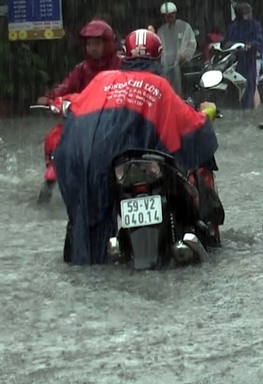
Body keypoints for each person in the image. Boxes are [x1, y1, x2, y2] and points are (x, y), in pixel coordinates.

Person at [53, 29, 224, 265]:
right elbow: (189, 124)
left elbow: (74, 107)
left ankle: (91, 254)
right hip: (123, 162)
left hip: (81, 158)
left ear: (125, 55)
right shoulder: (159, 85)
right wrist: (206, 114)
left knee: (85, 221)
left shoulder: (101, 79)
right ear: (159, 57)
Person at [36, 20, 122, 205]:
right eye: (89, 43)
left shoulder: (121, 65)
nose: (92, 48)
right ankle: (54, 175)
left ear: (107, 43)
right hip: (84, 122)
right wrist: (51, 97)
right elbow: (65, 86)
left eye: (97, 43)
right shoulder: (82, 69)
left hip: (115, 121)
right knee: (55, 137)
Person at [224, 2, 263, 109]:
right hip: (238, 59)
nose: (248, 15)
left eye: (249, 12)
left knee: (252, 84)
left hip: (254, 58)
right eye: (245, 13)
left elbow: (260, 40)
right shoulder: (233, 26)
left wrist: (251, 45)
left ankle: (256, 110)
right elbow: (227, 41)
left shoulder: (255, 25)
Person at [157, 2, 197, 97]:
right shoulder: (161, 31)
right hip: (165, 67)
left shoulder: (185, 27)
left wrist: (185, 56)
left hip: (181, 66)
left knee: (180, 92)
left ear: (175, 14)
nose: (169, 18)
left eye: (171, 15)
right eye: (167, 16)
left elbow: (192, 43)